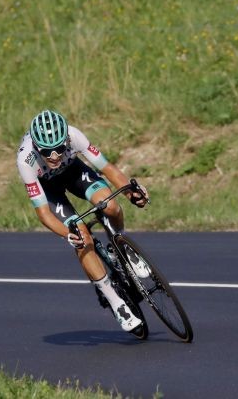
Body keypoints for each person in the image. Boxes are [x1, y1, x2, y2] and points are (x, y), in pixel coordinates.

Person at [16, 109, 150, 332]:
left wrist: (130, 192)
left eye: (59, 148)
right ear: (37, 148)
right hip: (49, 191)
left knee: (111, 205)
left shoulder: (74, 135)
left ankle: (123, 247)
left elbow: (107, 168)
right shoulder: (25, 160)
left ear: (66, 140)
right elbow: (44, 213)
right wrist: (68, 233)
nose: (54, 156)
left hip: (74, 172)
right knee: (82, 237)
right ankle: (118, 304)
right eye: (47, 152)